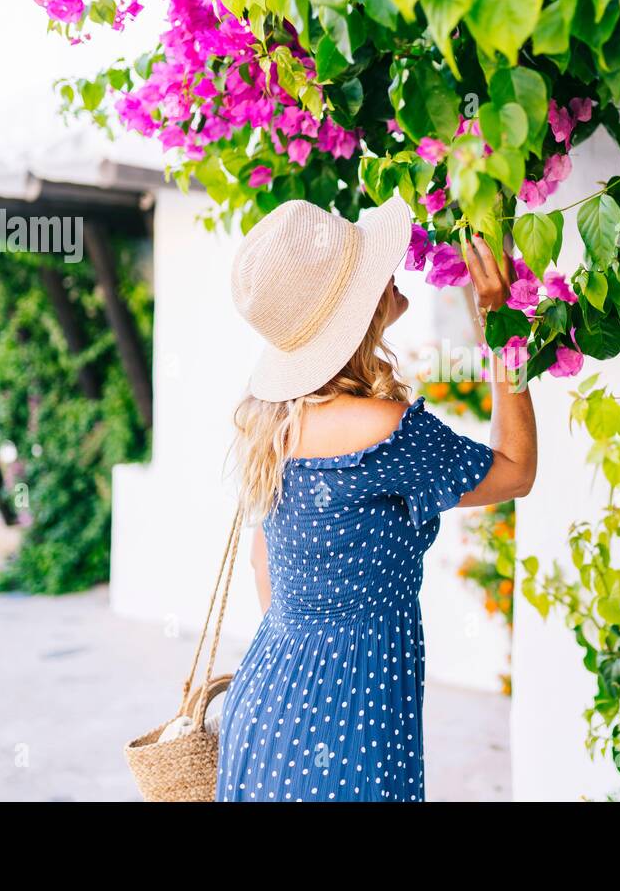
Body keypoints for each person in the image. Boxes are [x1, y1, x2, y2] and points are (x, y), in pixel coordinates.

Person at [216, 196, 536, 801]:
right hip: (349, 729)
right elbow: (516, 470)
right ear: (353, 312)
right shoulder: (386, 428)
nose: (386, 267)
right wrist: (504, 332)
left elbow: (264, 567)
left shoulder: (274, 425)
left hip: (264, 711)